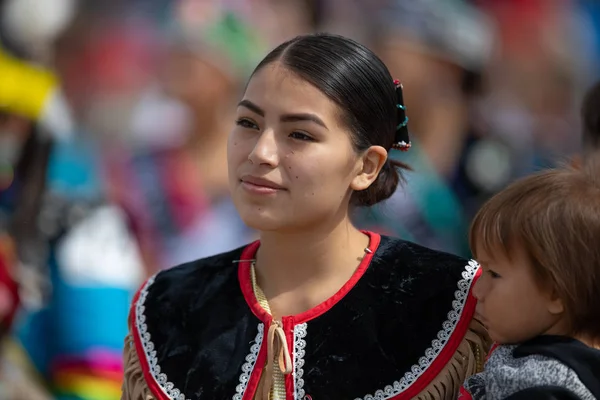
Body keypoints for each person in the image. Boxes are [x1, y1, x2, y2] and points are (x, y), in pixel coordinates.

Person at [121, 33, 491, 400]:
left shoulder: (451, 300)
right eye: (248, 123)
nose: (261, 153)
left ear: (366, 166)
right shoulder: (168, 306)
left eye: (299, 134)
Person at [461, 163, 600, 399]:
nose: (477, 290)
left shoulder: (548, 388)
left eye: (494, 273)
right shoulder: (534, 360)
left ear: (555, 293)